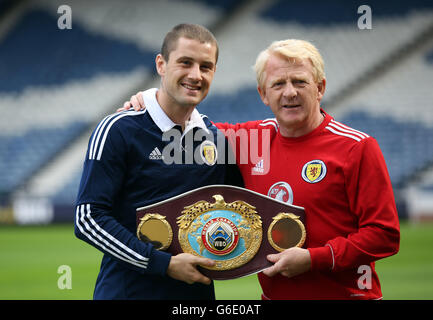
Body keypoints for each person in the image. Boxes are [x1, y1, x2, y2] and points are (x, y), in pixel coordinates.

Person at [123, 39, 400, 299]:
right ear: (263, 94)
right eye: (278, 83)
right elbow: (185, 132)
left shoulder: (356, 147)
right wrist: (151, 100)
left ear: (320, 88)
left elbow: (384, 234)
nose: (289, 92)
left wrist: (315, 258)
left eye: (300, 82)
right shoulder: (251, 141)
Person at [74, 23, 242, 300]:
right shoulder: (118, 129)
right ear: (161, 65)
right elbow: (88, 218)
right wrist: (163, 264)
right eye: (185, 63)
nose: (195, 75)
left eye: (206, 66)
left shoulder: (217, 139)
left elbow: (242, 205)